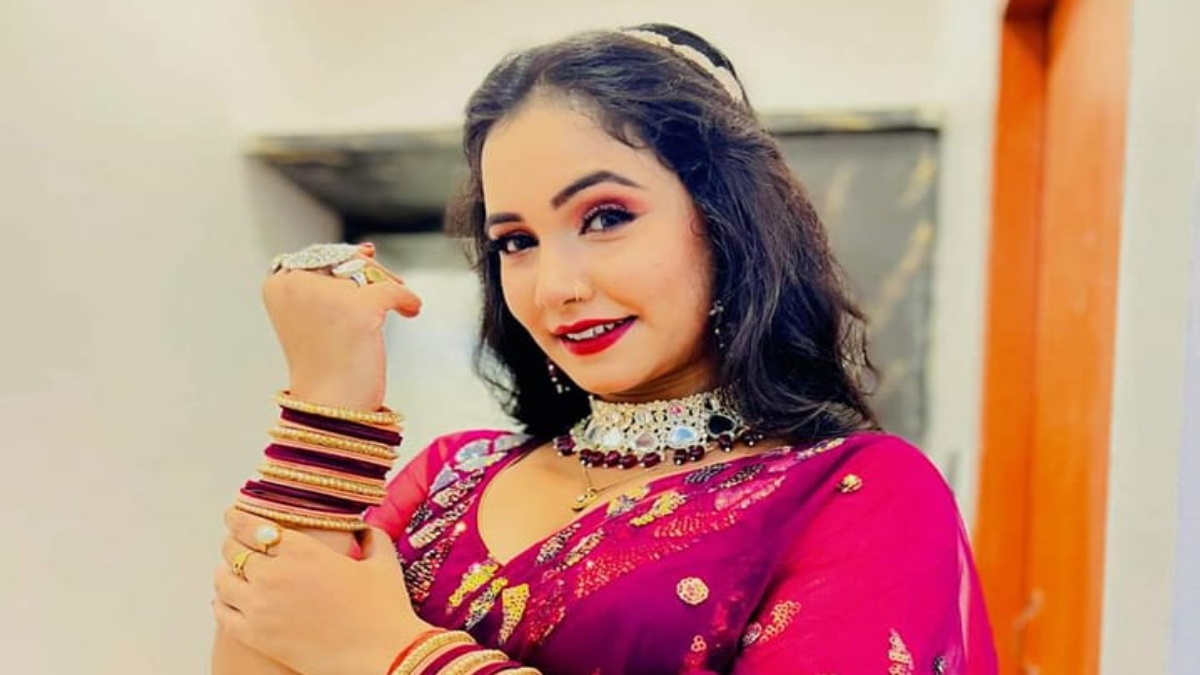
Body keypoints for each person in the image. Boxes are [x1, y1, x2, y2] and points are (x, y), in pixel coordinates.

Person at [211, 23, 998, 675]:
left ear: (725, 221)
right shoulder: (449, 478)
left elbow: (343, 642)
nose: (556, 285)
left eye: (605, 216)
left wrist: (391, 653)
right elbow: (262, 643)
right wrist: (331, 391)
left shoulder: (852, 493)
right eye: (516, 240)